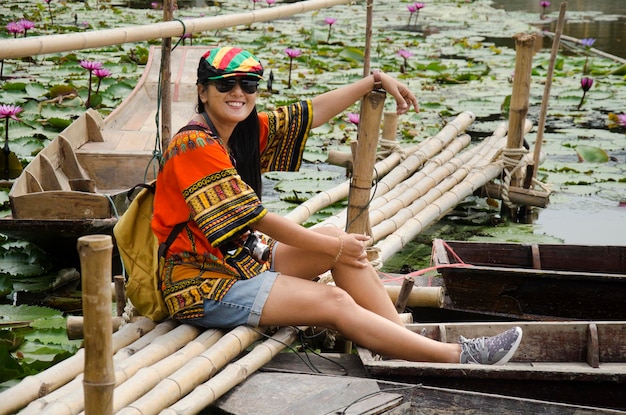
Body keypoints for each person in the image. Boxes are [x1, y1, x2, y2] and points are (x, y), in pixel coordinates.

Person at [152, 46, 522, 365]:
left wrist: (373, 80)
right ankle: (457, 358)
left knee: (339, 244)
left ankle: (400, 341)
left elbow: (305, 115)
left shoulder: (241, 133)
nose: (238, 93)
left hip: (240, 265)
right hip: (201, 287)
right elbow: (255, 218)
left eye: (248, 85)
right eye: (225, 84)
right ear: (202, 92)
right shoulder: (195, 145)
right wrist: (333, 246)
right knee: (333, 300)